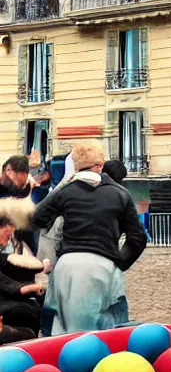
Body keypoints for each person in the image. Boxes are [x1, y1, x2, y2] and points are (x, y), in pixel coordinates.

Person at [32, 141, 147, 334]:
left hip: (67, 265)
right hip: (102, 263)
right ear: (100, 164)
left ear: (75, 166)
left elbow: (38, 217)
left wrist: (64, 186)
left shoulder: (67, 190)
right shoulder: (121, 194)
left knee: (60, 327)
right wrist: (119, 262)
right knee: (105, 328)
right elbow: (137, 238)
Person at [0, 200, 44, 344]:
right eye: (9, 225)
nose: (12, 229)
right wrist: (20, 289)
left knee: (29, 310)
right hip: (7, 298)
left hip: (8, 297)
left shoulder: (16, 246)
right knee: (25, 311)